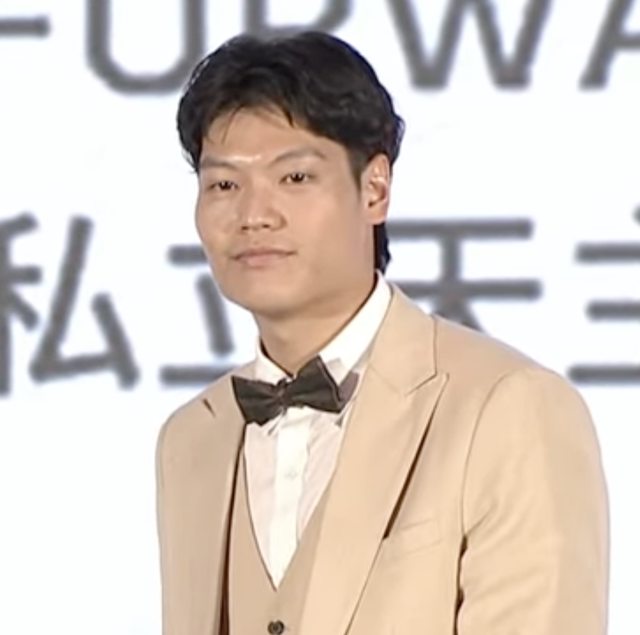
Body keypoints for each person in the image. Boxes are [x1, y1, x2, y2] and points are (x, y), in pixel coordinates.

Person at [155, 31, 608, 635]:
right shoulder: (191, 440)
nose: (254, 215)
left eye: (295, 178)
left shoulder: (509, 406)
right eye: (224, 185)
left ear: (375, 188)